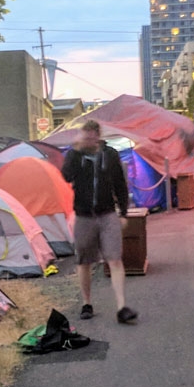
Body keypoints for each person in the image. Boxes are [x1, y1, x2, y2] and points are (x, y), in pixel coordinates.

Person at [61, 120, 138, 324]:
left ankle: (122, 307)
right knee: (84, 261)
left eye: (91, 135)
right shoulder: (75, 155)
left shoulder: (109, 154)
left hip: (107, 214)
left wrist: (123, 213)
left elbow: (120, 184)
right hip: (84, 216)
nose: (88, 139)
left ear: (97, 135)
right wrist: (76, 150)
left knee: (115, 259)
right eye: (85, 135)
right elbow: (66, 176)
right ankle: (87, 303)